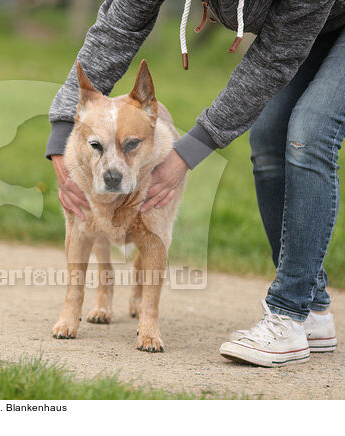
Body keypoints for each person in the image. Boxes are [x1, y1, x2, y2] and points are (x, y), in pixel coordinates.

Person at [46, 0, 345, 366]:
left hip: (312, 21)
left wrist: (189, 151)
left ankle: (289, 312)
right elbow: (116, 29)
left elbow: (273, 61)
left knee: (309, 135)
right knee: (267, 140)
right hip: (307, 31)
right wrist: (62, 131)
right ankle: (313, 309)